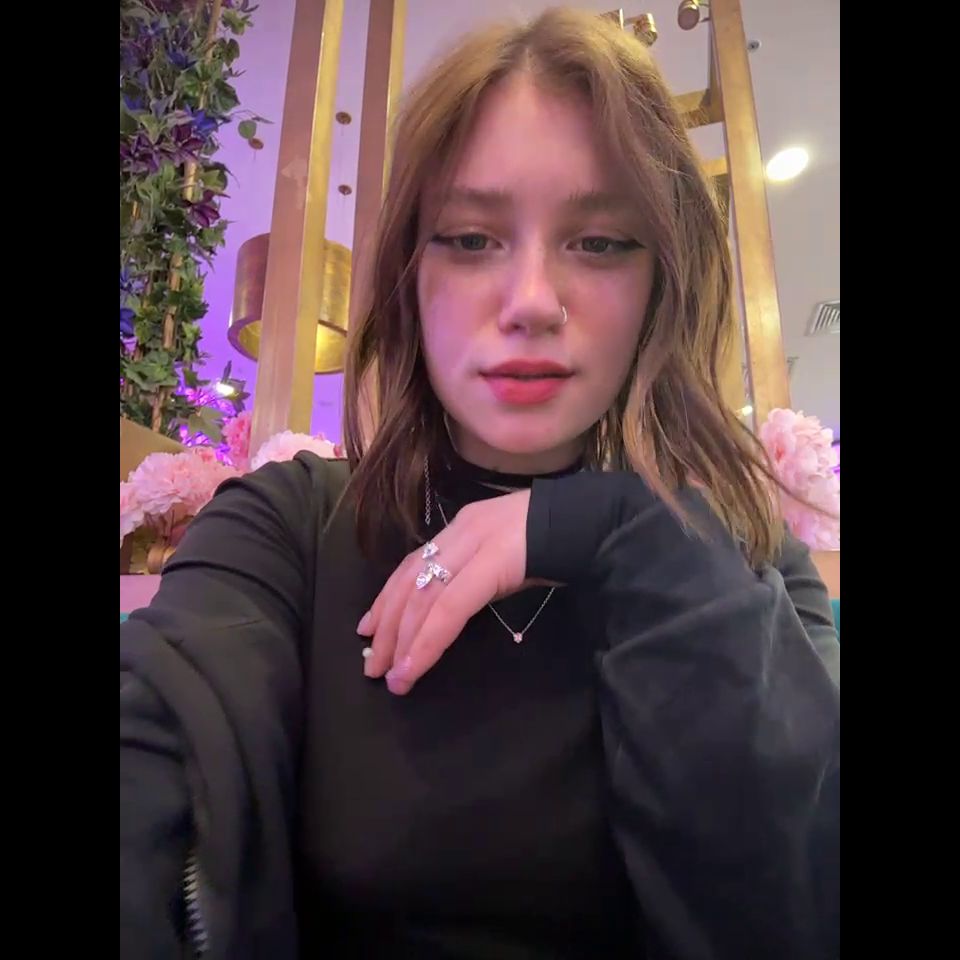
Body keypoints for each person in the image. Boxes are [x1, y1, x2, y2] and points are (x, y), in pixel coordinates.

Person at [120, 8, 840, 959]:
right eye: (469, 237)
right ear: (410, 272)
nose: (532, 301)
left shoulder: (745, 558)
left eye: (600, 242)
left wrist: (619, 528)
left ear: (662, 282)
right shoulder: (287, 530)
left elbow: (799, 901)